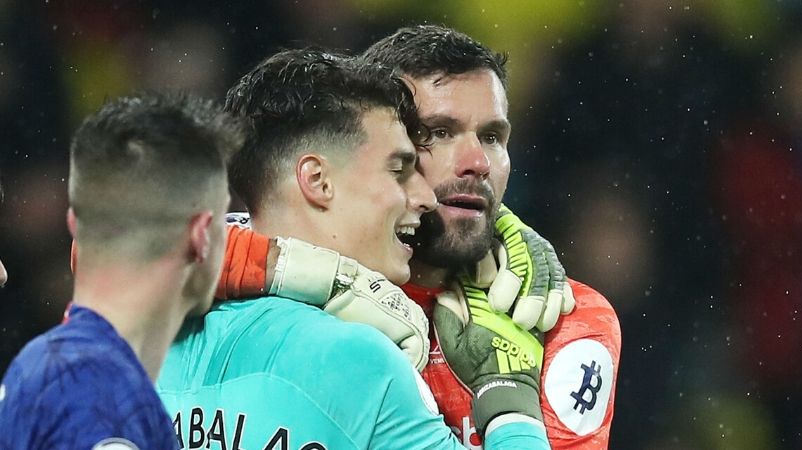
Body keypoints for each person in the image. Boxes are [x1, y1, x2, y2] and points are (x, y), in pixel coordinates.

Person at [216, 25, 622, 449]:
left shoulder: (563, 320)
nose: (478, 162)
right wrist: (306, 273)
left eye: (492, 137)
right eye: (438, 133)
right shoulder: (269, 300)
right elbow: (182, 253)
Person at [157, 49, 551, 449]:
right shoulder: (358, 361)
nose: (424, 198)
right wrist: (510, 400)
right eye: (398, 171)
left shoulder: (155, 336)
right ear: (318, 180)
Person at [0, 93, 242, 450]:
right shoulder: (99, 397)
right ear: (201, 236)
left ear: (74, 225)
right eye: (226, 219)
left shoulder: (38, 368)